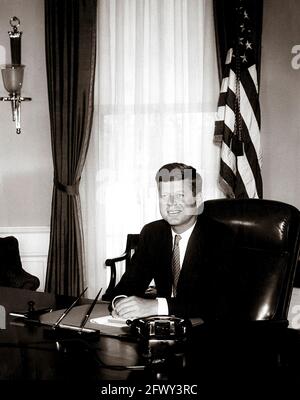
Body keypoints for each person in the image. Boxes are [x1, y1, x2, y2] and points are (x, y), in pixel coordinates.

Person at [108, 162, 224, 320]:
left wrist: (157, 306)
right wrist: (121, 303)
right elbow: (128, 285)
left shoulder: (220, 236)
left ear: (198, 199)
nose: (170, 203)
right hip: (163, 330)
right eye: (164, 196)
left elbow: (217, 303)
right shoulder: (153, 233)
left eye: (180, 195)